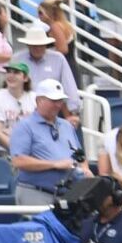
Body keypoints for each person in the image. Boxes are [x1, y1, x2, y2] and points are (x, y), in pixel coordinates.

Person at [10, 79, 85, 207]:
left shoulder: (66, 125)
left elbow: (80, 156)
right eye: (53, 101)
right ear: (39, 100)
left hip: (67, 194)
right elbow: (19, 161)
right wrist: (54, 164)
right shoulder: (25, 126)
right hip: (36, 192)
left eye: (60, 101)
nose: (58, 105)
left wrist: (85, 170)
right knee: (39, 227)